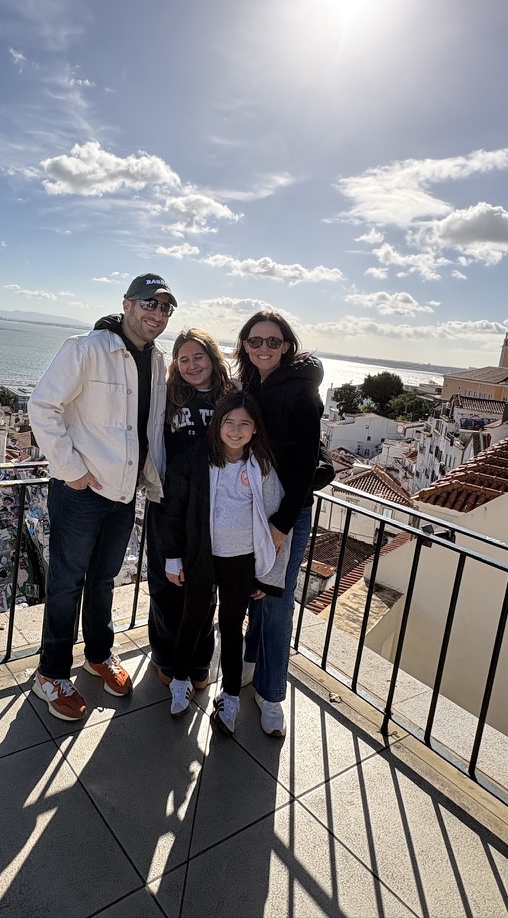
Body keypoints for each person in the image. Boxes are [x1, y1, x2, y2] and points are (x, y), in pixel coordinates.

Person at [27, 273, 177, 721]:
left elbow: (147, 428)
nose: (157, 313)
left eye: (166, 308)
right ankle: (50, 675)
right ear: (128, 304)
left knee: (104, 579)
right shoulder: (86, 349)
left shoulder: (157, 362)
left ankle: (98, 653)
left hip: (124, 491)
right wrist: (71, 471)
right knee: (67, 581)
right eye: (150, 303)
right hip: (81, 491)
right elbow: (43, 406)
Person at [157, 392, 290, 736]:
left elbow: (273, 526)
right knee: (191, 620)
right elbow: (172, 512)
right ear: (217, 426)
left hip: (241, 562)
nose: (235, 430)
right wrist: (173, 557)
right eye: (228, 422)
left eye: (244, 423)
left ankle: (230, 696)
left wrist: (265, 574)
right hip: (202, 556)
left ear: (255, 429)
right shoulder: (194, 462)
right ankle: (179, 680)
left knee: (231, 629)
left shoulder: (262, 468)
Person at [235, 310, 323, 738]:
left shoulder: (301, 390)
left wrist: (282, 524)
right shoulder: (252, 384)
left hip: (286, 511)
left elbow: (307, 461)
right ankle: (250, 663)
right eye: (255, 342)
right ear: (245, 346)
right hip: (253, 507)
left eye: (272, 341)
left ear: (287, 345)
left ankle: (271, 695)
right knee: (253, 590)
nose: (263, 349)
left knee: (275, 601)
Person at [146, 328, 234, 689]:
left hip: (215, 503)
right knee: (166, 587)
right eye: (183, 359)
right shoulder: (167, 398)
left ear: (213, 358)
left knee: (203, 587)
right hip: (168, 501)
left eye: (198, 357)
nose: (192, 365)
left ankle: (198, 663)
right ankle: (166, 657)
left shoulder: (232, 399)